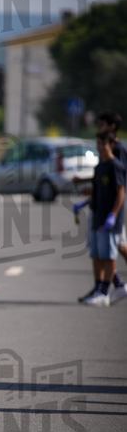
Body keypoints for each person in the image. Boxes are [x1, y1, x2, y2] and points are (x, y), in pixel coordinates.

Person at [76, 110, 127, 302]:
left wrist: (114, 213)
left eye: (102, 143)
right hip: (99, 212)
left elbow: (119, 188)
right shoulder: (100, 166)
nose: (99, 147)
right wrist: (88, 200)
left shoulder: (117, 158)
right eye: (97, 143)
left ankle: (106, 290)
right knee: (99, 252)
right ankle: (103, 288)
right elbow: (99, 185)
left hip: (111, 214)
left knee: (114, 250)